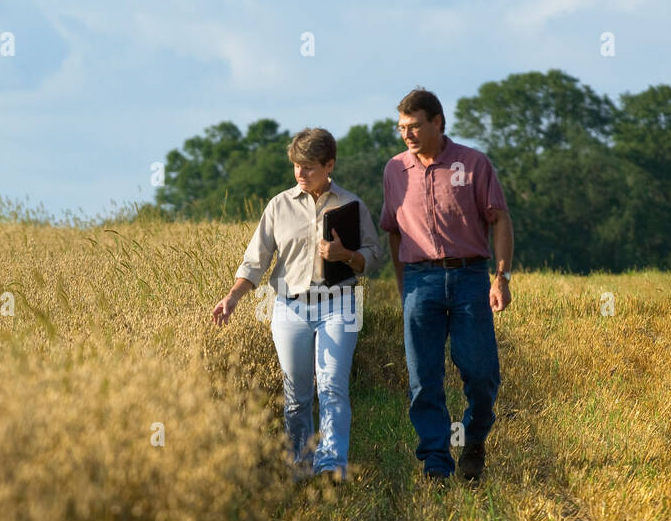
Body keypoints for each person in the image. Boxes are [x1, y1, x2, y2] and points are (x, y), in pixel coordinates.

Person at [211, 127, 383, 481]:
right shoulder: (278, 205)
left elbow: (374, 257)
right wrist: (233, 297)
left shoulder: (351, 204)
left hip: (340, 304)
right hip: (289, 308)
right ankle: (300, 464)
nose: (300, 174)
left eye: (308, 167)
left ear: (329, 164)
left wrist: (345, 255)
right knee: (296, 394)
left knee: (332, 386)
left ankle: (331, 466)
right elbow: (255, 261)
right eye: (296, 166)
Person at [380, 87, 514, 483]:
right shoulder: (394, 170)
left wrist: (501, 277)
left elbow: (500, 219)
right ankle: (436, 463)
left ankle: (474, 441)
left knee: (481, 372)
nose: (408, 134)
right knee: (423, 379)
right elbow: (392, 230)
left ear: (438, 122)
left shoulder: (472, 163)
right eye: (402, 127)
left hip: (470, 277)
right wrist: (404, 285)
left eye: (415, 126)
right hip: (419, 282)